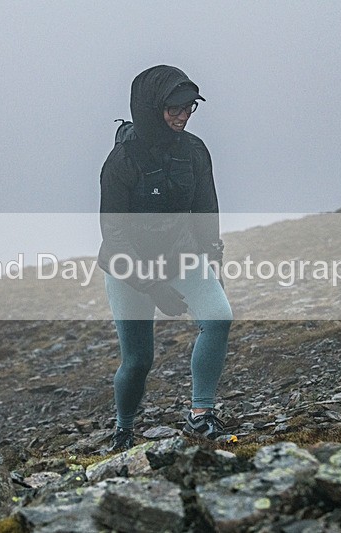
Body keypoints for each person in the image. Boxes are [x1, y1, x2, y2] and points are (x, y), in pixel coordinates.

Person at [98, 65, 236, 452]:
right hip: (128, 267)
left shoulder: (194, 151)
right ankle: (124, 429)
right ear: (150, 107)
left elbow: (206, 214)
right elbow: (115, 236)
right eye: (173, 108)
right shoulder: (121, 162)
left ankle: (200, 415)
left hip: (182, 255)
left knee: (219, 317)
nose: (182, 116)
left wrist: (214, 264)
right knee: (139, 360)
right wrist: (153, 287)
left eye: (189, 107)